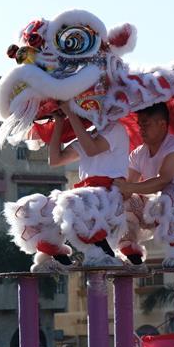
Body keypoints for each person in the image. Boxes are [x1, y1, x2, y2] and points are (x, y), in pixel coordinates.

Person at [115, 102, 174, 267]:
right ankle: (129, 251)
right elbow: (127, 187)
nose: (141, 129)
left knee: (172, 190)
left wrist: (129, 187)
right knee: (123, 200)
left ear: (162, 124)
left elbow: (163, 180)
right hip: (156, 210)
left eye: (146, 124)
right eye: (140, 124)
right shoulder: (138, 153)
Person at [48, 99, 132, 264]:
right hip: (89, 195)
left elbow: (91, 150)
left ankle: (105, 251)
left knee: (73, 202)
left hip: (110, 194)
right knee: (44, 208)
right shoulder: (90, 134)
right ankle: (55, 252)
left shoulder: (115, 128)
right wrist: (59, 122)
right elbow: (55, 159)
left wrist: (71, 115)